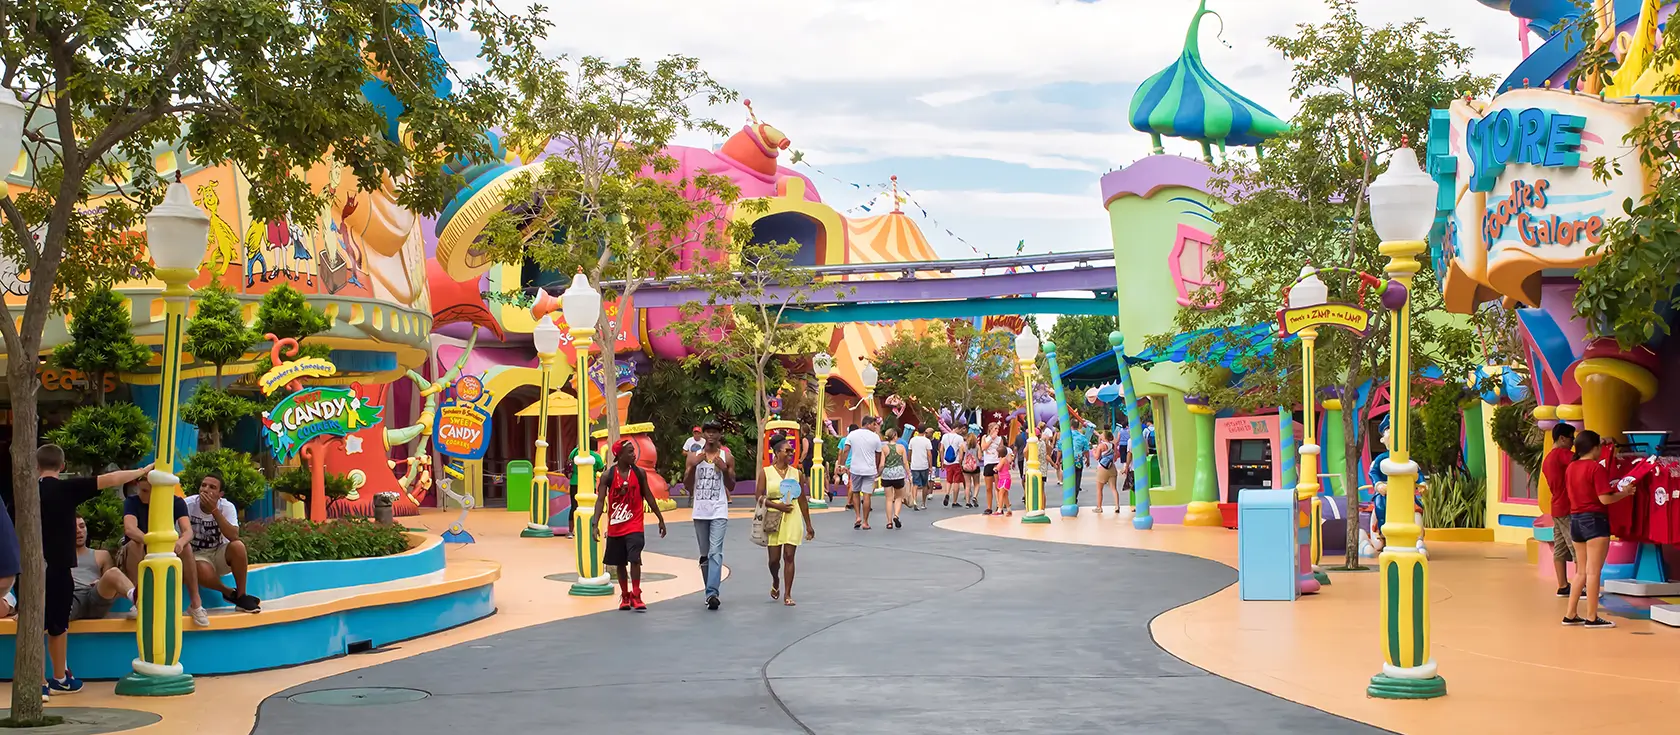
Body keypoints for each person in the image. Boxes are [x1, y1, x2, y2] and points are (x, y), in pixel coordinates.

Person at [39, 445, 151, 695]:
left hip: (34, 569)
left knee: (38, 624)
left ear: (36, 466)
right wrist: (141, 471)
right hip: (59, 569)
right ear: (63, 466)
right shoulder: (66, 489)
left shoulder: (28, 492)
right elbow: (109, 479)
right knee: (58, 625)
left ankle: (39, 683)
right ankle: (59, 678)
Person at [1564, 430, 1637, 629]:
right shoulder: (1596, 468)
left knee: (1580, 572)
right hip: (1595, 521)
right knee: (1594, 572)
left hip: (1576, 521)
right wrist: (1625, 493)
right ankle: (1592, 617)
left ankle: (1570, 614)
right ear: (1595, 448)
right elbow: (1605, 499)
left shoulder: (1571, 467)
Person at [121, 474, 210, 627]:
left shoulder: (176, 502)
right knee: (135, 543)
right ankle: (139, 600)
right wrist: (150, 542)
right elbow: (130, 529)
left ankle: (196, 604)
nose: (142, 495)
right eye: (141, 490)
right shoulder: (132, 502)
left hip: (163, 549)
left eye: (147, 492)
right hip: (136, 550)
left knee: (186, 547)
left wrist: (181, 543)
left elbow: (187, 531)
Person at [590, 439, 667, 612]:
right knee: (620, 562)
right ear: (619, 455)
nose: (634, 455)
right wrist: (595, 524)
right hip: (616, 525)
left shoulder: (639, 473)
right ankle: (625, 595)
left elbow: (648, 495)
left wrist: (660, 519)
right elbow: (600, 500)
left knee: (635, 558)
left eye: (634, 451)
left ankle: (637, 594)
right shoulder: (608, 475)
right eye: (630, 452)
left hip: (635, 524)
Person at [186, 472, 261, 612]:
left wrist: (214, 510)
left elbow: (234, 536)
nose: (206, 489)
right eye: (203, 485)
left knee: (238, 546)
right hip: (196, 555)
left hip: (219, 552)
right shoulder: (188, 505)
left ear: (220, 494)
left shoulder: (226, 507)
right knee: (200, 569)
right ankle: (229, 592)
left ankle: (241, 595)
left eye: (212, 487)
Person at [759, 436, 815, 606]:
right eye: (787, 451)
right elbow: (759, 496)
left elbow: (803, 499)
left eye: (792, 451)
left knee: (789, 556)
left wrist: (809, 525)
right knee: (774, 560)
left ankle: (788, 594)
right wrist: (777, 506)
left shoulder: (796, 473)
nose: (791, 453)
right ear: (776, 453)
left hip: (792, 514)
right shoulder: (766, 472)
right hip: (773, 515)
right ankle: (775, 580)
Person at [685, 422, 734, 611]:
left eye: (715, 432)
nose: (711, 435)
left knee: (716, 552)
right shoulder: (693, 456)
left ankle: (712, 592)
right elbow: (688, 486)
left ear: (720, 435)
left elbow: (731, 486)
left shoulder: (726, 457)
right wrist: (692, 468)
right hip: (700, 510)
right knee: (705, 555)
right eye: (708, 432)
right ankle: (709, 592)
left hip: (719, 510)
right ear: (703, 434)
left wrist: (725, 469)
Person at [69, 515, 136, 621]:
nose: (78, 531)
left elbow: (115, 587)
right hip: (71, 597)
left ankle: (139, 602)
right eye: (73, 527)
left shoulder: (101, 555)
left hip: (95, 596)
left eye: (82, 526)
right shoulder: (56, 557)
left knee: (113, 573)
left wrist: (100, 582)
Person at [1540, 423, 1578, 597]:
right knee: (1577, 546)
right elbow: (1582, 459)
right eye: (1572, 438)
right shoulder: (1561, 454)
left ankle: (1563, 585)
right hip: (1567, 507)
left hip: (1556, 507)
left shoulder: (1548, 458)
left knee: (1560, 548)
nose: (1573, 442)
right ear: (1562, 438)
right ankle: (1581, 585)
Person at [842, 417, 883, 530]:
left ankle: (857, 517)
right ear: (868, 424)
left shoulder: (852, 435)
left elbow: (845, 450)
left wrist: (843, 464)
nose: (875, 427)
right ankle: (865, 522)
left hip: (855, 469)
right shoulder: (875, 437)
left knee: (855, 492)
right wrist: (876, 465)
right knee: (866, 495)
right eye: (874, 424)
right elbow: (878, 454)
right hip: (869, 470)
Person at [562, 445, 603, 538]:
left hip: (574, 483)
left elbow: (569, 460)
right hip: (589, 484)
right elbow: (600, 468)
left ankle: (570, 531)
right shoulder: (595, 456)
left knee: (574, 506)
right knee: (590, 507)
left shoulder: (575, 451)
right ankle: (589, 529)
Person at [879, 427, 909, 529]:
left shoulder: (884, 448)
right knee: (898, 497)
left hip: (887, 474)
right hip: (899, 474)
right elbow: (905, 462)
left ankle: (889, 522)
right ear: (895, 436)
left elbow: (882, 464)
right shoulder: (901, 448)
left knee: (888, 499)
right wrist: (909, 474)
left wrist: (878, 473)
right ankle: (896, 515)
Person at [1094, 431, 1121, 513]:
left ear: (1104, 437)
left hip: (1102, 468)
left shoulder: (1101, 446)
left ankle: (1099, 507)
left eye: (1102, 434)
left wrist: (1094, 451)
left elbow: (1096, 457)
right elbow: (1116, 456)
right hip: (1112, 467)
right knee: (1114, 488)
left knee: (1099, 489)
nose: (1101, 435)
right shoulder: (1113, 445)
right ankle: (1117, 506)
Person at [908, 426, 934, 512]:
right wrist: (930, 466)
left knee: (915, 484)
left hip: (915, 465)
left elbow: (910, 452)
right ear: (924, 431)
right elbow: (929, 454)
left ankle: (915, 501)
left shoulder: (912, 440)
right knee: (924, 484)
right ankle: (923, 503)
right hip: (924, 465)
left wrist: (909, 461)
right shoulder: (927, 441)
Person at [940, 425, 966, 508]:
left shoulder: (944, 436)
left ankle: (947, 493)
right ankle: (954, 501)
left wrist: (942, 461)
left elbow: (941, 449)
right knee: (956, 481)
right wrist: (961, 462)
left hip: (947, 461)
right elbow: (961, 451)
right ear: (957, 428)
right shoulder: (959, 438)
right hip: (956, 461)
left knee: (949, 480)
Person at [980, 422, 1003, 515]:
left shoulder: (1000, 439)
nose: (997, 431)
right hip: (988, 463)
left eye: (998, 429)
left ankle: (999, 505)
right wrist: (991, 439)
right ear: (990, 429)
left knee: (998, 486)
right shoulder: (985, 438)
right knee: (988, 487)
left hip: (996, 462)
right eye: (995, 429)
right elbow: (983, 447)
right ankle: (989, 507)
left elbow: (1002, 451)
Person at [1070, 423, 1092, 504]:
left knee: (1068, 479)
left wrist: (1058, 460)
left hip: (1067, 461)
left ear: (1070, 425)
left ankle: (1068, 496)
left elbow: (1059, 448)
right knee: (1077, 479)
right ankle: (1074, 497)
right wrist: (1088, 460)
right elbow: (1086, 450)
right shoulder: (1082, 437)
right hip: (1078, 460)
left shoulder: (1066, 436)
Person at [838, 423, 857, 510]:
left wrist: (840, 464)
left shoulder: (843, 440)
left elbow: (840, 453)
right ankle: (849, 502)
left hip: (846, 464)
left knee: (849, 484)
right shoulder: (858, 440)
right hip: (855, 463)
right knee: (852, 483)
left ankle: (851, 501)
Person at [960, 432, 982, 508]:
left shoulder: (963, 445)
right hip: (975, 467)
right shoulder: (977, 446)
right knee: (977, 483)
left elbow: (960, 457)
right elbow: (979, 457)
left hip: (966, 467)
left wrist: (961, 464)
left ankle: (967, 502)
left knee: (967, 484)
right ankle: (975, 496)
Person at [995, 444, 1014, 517]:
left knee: (1001, 493)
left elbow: (998, 468)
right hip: (1004, 478)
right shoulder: (1005, 460)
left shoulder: (1002, 460)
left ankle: (999, 509)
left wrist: (995, 468)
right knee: (1005, 494)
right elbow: (1008, 467)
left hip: (1004, 478)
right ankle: (1009, 509)